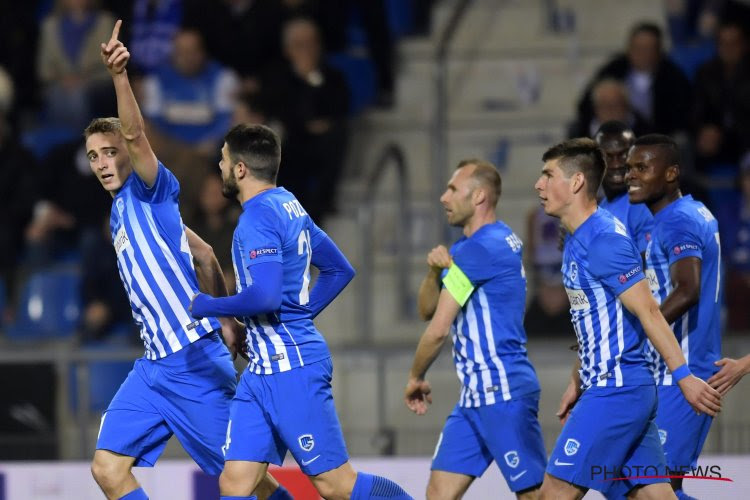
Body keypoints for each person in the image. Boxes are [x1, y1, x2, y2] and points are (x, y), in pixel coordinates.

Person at [86, 21, 285, 500]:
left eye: (111, 152)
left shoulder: (152, 191)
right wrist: (230, 320)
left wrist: (119, 77)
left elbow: (134, 131)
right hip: (155, 368)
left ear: (130, 156)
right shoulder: (120, 214)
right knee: (107, 468)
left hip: (193, 364)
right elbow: (204, 252)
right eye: (94, 156)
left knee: (248, 482)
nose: (103, 163)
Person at [189, 123, 412, 500]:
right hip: (262, 371)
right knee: (236, 482)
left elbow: (265, 298)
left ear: (240, 169)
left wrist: (210, 305)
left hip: (292, 369)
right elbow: (339, 269)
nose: (220, 166)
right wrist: (301, 313)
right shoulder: (288, 204)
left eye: (224, 159)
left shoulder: (256, 220)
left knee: (337, 486)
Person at [533, 138, 721, 500]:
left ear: (575, 183)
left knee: (552, 493)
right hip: (620, 388)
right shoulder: (577, 238)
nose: (539, 185)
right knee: (652, 496)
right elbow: (605, 322)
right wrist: (577, 378)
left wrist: (684, 377)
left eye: (548, 175)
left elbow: (648, 311)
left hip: (614, 392)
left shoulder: (604, 240)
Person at [406, 159, 546, 499]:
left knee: (534, 495)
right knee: (438, 493)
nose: (443, 197)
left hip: (503, 391)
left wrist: (415, 377)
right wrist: (432, 272)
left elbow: (437, 330)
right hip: (473, 398)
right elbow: (426, 308)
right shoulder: (481, 246)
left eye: (453, 189)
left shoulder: (480, 249)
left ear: (479, 196)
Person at [625, 134, 722, 500]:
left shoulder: (677, 221)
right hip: (669, 372)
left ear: (671, 174)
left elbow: (687, 289)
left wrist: (636, 329)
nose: (630, 175)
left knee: (656, 489)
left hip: (684, 372)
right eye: (630, 167)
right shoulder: (685, 213)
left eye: (642, 167)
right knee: (643, 489)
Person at [594, 120, 653, 255]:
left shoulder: (642, 205)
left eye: (623, 155)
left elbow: (652, 269)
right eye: (607, 157)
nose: (616, 165)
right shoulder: (602, 208)